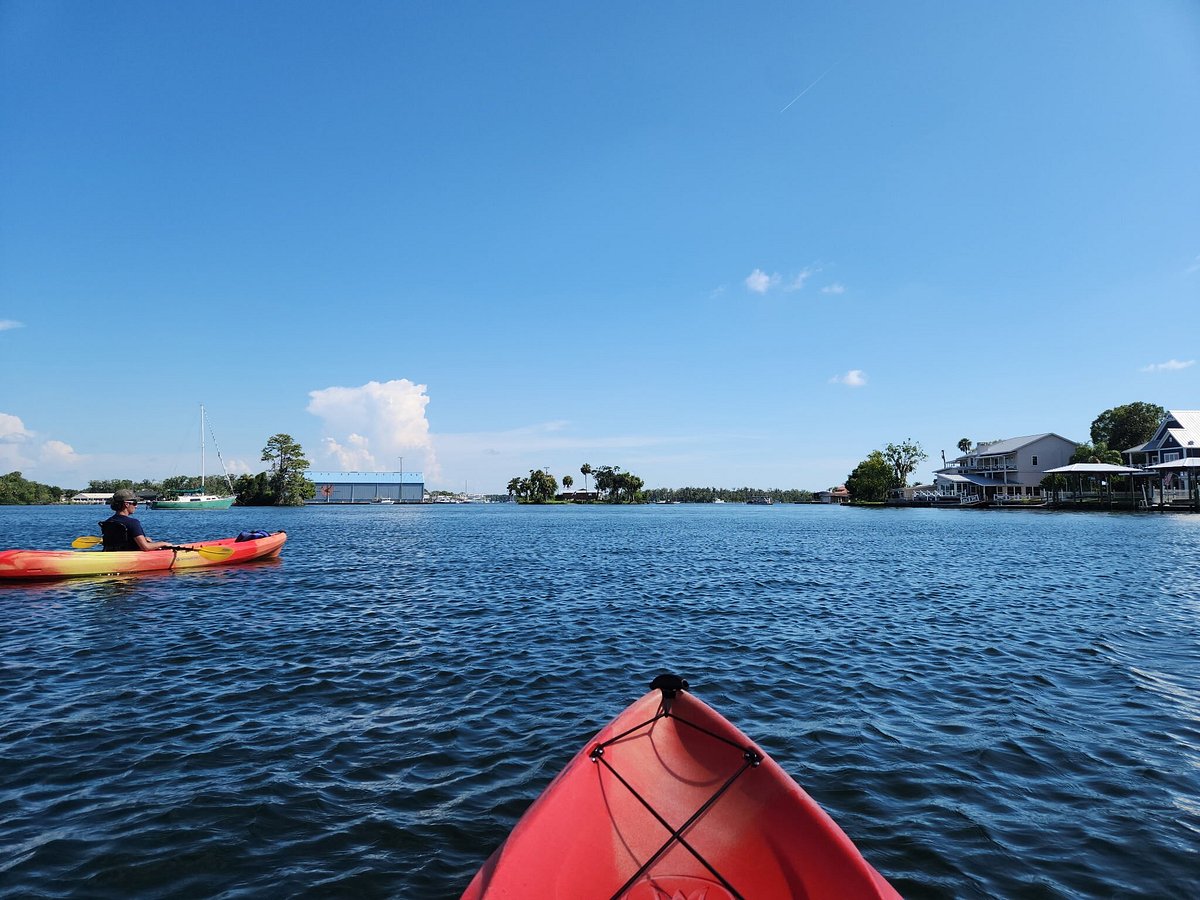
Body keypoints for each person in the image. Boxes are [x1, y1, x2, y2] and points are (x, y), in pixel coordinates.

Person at [99, 489, 175, 551]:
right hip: (129, 556)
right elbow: (145, 547)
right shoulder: (132, 523)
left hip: (112, 555)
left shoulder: (107, 522)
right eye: (134, 503)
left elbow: (118, 540)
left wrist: (143, 539)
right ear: (126, 504)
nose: (136, 506)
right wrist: (163, 543)